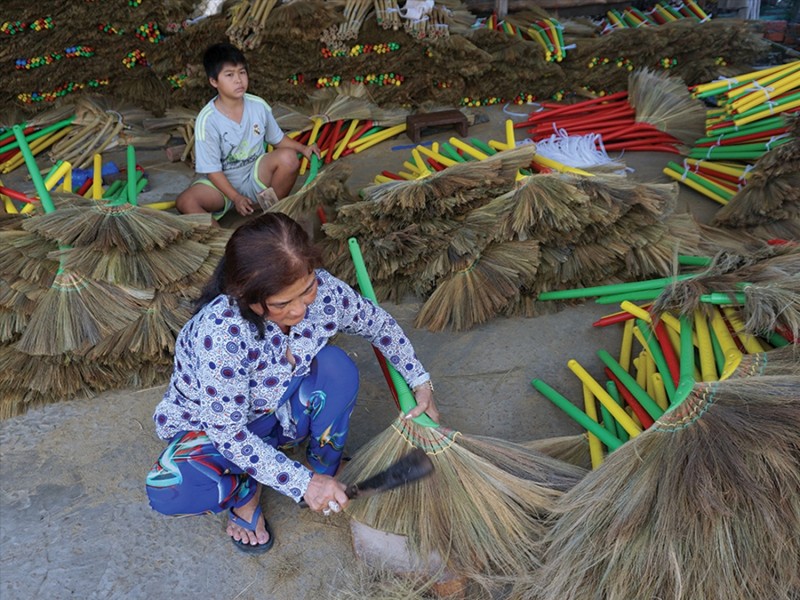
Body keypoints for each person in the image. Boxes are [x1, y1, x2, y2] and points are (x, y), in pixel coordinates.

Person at [145, 213, 439, 554]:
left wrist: (419, 379)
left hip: (280, 411)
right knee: (170, 490)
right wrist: (302, 485)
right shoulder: (222, 332)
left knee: (336, 367)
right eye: (283, 303)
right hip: (214, 430)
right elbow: (227, 430)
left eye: (307, 289)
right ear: (249, 298)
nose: (300, 310)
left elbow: (378, 325)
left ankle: (325, 464)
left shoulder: (325, 293)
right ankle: (245, 495)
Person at [176, 42, 320, 220]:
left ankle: (270, 211)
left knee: (289, 158)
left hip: (256, 175)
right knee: (186, 201)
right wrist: (235, 197)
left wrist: (303, 149)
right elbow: (212, 171)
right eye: (229, 75)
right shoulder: (207, 120)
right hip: (221, 184)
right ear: (214, 81)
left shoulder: (258, 106)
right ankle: (222, 241)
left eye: (242, 72)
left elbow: (277, 139)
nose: (238, 80)